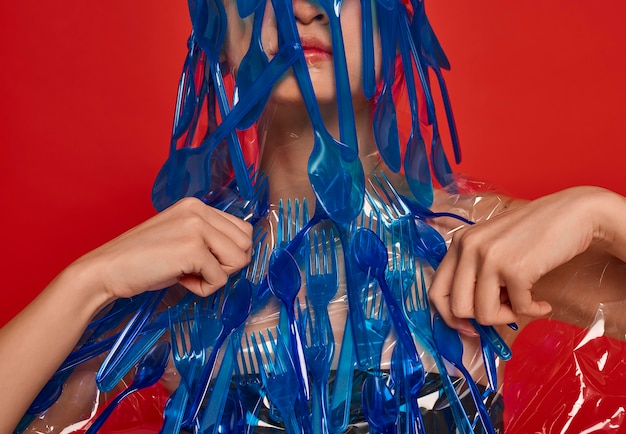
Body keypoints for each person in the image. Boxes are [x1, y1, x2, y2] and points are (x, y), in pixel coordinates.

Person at [2, 0, 626, 432]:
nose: (307, 7)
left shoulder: (485, 250)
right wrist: (88, 283)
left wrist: (601, 215)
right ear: (215, 22)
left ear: (399, 23)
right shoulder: (171, 291)